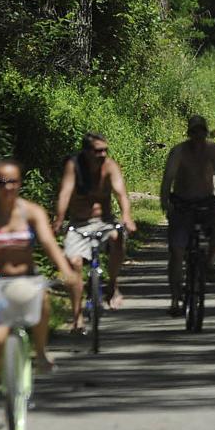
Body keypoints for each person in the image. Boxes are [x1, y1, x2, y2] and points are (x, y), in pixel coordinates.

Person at [0, 159, 77, 430]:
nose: (8, 187)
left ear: (20, 183)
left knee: (44, 297)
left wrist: (65, 270)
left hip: (27, 278)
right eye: (2, 182)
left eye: (13, 181)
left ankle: (40, 351)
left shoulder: (32, 211)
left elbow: (49, 243)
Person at [53, 132, 137, 333]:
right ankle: (77, 318)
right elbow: (64, 194)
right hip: (79, 224)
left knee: (117, 238)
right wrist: (58, 219)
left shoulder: (110, 166)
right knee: (74, 264)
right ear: (86, 152)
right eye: (97, 150)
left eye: (105, 150)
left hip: (104, 221)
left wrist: (126, 216)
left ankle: (112, 284)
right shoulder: (73, 167)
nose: (102, 154)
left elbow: (121, 194)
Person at [160, 116, 215, 314]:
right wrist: (165, 203)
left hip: (205, 202)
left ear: (206, 133)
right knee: (176, 251)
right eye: (194, 132)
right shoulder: (179, 152)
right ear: (189, 133)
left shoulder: (213, 151)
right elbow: (168, 178)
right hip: (182, 203)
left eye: (201, 132)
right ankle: (175, 300)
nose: (198, 136)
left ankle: (209, 260)